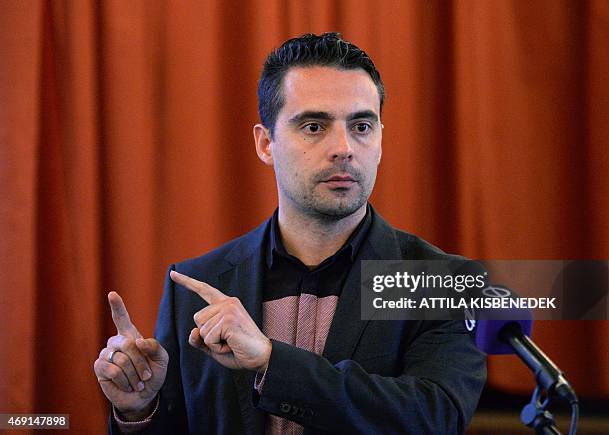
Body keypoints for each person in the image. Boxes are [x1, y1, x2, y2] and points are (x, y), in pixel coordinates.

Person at [94, 32, 486, 435]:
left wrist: (270, 361)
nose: (344, 147)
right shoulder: (195, 286)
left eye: (362, 126)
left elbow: (432, 419)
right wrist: (139, 412)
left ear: (381, 140)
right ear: (266, 144)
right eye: (314, 126)